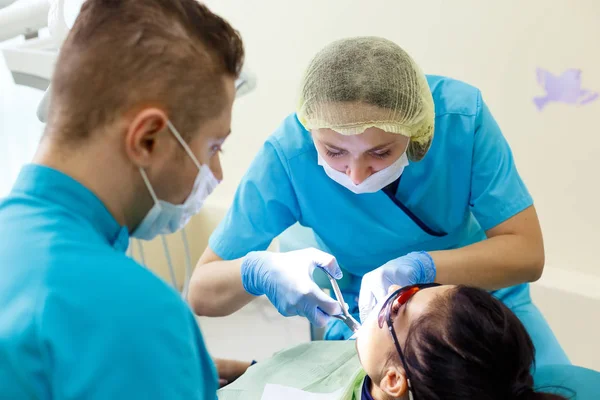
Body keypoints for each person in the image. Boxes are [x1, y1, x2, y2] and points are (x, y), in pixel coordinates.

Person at [188, 36, 569, 367]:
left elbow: (526, 254)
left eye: (380, 153)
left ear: (418, 132)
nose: (356, 175)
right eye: (334, 151)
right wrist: (258, 271)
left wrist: (423, 267)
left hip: (478, 294)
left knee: (546, 383)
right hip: (369, 314)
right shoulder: (288, 154)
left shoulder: (460, 121)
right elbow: (202, 290)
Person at [0, 0, 244, 398]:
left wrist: (160, 367)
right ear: (148, 138)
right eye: (214, 146)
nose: (216, 173)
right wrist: (155, 354)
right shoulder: (135, 315)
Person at [216, 284, 570, 399]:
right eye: (414, 288)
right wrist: (241, 370)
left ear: (394, 380)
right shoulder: (375, 370)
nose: (389, 294)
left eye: (397, 309)